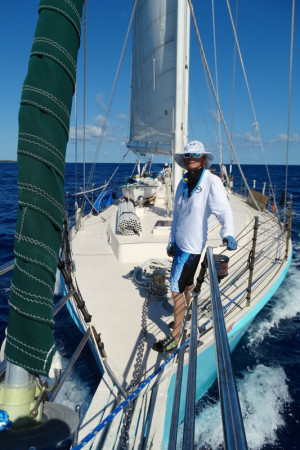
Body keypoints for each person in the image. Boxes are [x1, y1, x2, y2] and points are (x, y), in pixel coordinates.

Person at [152, 141, 237, 353]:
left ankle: (176, 336)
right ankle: (186, 319)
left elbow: (224, 210)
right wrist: (171, 240)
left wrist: (228, 233)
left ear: (204, 159)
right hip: (179, 245)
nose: (191, 157)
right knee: (187, 286)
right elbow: (177, 216)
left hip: (191, 248)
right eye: (188, 155)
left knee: (175, 289)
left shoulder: (212, 181)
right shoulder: (183, 183)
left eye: (196, 154)